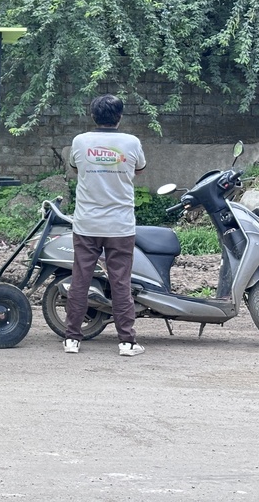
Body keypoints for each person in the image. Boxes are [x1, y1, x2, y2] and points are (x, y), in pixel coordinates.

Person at [64, 94, 146, 356]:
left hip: (86, 224)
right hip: (120, 226)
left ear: (92, 116)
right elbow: (140, 169)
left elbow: (76, 168)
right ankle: (127, 342)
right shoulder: (131, 143)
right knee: (120, 282)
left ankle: (72, 340)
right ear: (120, 117)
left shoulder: (80, 142)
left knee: (80, 280)